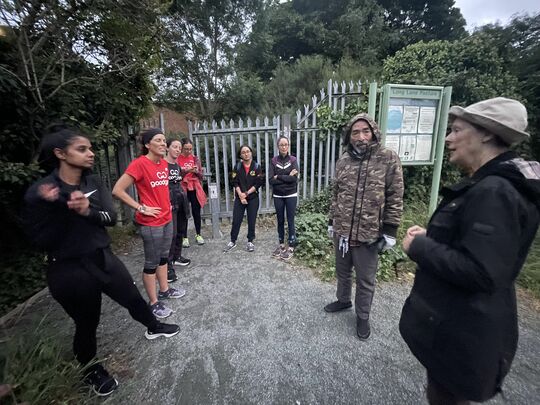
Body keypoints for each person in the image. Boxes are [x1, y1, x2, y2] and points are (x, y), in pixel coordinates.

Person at [400, 97, 540, 404]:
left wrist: (421, 247)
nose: (448, 138)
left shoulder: (497, 191)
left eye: (456, 130)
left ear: (487, 134)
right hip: (457, 328)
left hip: (465, 337)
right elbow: (481, 249)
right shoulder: (490, 185)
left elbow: (482, 271)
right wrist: (435, 236)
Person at [23, 126, 179, 397]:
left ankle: (153, 326)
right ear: (61, 153)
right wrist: (60, 208)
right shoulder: (42, 191)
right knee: (87, 322)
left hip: (102, 257)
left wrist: (87, 211)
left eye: (90, 148)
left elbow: (110, 217)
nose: (91, 153)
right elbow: (38, 239)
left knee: (132, 297)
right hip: (67, 267)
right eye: (82, 149)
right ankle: (91, 369)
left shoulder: (93, 184)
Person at [324, 113, 404, 340]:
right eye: (355, 132)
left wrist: (390, 231)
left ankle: (363, 316)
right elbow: (336, 194)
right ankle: (343, 300)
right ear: (349, 136)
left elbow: (395, 196)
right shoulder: (343, 161)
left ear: (374, 133)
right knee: (342, 271)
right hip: (342, 231)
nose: (360, 136)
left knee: (366, 279)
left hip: (369, 233)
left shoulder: (388, 159)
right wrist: (332, 221)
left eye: (365, 131)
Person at [112, 128, 185, 320]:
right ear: (147, 145)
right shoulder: (139, 164)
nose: (163, 144)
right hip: (151, 223)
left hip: (167, 218)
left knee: (163, 258)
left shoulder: (162, 164)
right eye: (158, 140)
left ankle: (165, 290)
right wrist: (140, 207)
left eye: (164, 140)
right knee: (151, 263)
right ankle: (153, 303)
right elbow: (117, 190)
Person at [223, 144, 265, 252]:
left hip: (253, 198)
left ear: (251, 153)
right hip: (239, 198)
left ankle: (250, 241)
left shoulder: (257, 167)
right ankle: (233, 241)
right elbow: (234, 181)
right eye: (243, 152)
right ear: (240, 155)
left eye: (248, 151)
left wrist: (246, 194)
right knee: (236, 220)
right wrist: (240, 194)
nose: (246, 154)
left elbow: (258, 183)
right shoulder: (237, 167)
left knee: (251, 220)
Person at [268, 135, 299, 260]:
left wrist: (279, 177)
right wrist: (287, 176)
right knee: (280, 220)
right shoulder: (273, 161)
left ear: (288, 146)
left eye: (286, 144)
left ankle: (291, 246)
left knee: (290, 220)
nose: (284, 147)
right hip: (278, 195)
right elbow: (271, 180)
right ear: (278, 146)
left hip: (291, 194)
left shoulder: (293, 160)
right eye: (281, 145)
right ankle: (281, 245)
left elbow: (294, 180)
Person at [165, 138, 191, 283]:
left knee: (181, 230)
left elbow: (179, 180)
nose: (177, 149)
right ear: (168, 148)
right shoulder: (163, 165)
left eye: (179, 147)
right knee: (172, 234)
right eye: (174, 147)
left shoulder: (177, 165)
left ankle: (176, 257)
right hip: (169, 203)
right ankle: (168, 266)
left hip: (181, 200)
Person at [177, 138, 207, 247]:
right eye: (186, 149)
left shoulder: (195, 159)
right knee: (184, 213)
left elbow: (201, 176)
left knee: (196, 211)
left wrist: (196, 171)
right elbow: (176, 176)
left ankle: (198, 234)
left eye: (190, 149)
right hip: (182, 187)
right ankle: (184, 237)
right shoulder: (177, 159)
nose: (188, 151)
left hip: (194, 187)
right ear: (181, 148)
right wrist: (186, 171)